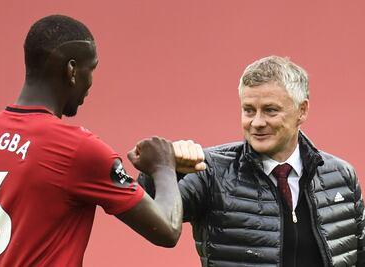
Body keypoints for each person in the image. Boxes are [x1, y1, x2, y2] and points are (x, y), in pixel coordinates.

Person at [0, 15, 205, 266]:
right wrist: (163, 166)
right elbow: (167, 230)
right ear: (71, 70)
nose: (90, 84)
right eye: (91, 69)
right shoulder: (77, 149)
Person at [140, 56, 365, 266]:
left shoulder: (341, 176)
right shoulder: (208, 171)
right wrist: (163, 170)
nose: (257, 122)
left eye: (270, 110)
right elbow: (149, 218)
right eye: (249, 110)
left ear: (302, 110)